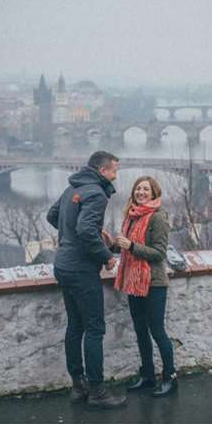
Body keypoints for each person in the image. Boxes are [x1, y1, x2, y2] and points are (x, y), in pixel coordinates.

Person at [46, 150, 126, 409]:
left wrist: (71, 235)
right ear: (102, 171)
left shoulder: (74, 188)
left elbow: (52, 215)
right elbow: (84, 229)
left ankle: (78, 387)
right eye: (114, 170)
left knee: (75, 326)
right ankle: (97, 392)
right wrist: (107, 256)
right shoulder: (96, 193)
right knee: (94, 329)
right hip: (81, 269)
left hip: (63, 265)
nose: (115, 175)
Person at [108, 175, 177, 397]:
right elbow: (126, 249)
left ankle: (170, 377)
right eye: (138, 189)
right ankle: (147, 375)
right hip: (133, 281)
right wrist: (113, 244)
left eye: (146, 190)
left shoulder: (158, 217)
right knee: (140, 330)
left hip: (154, 282)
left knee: (157, 330)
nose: (141, 193)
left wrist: (131, 245)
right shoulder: (131, 216)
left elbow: (159, 253)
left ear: (154, 193)